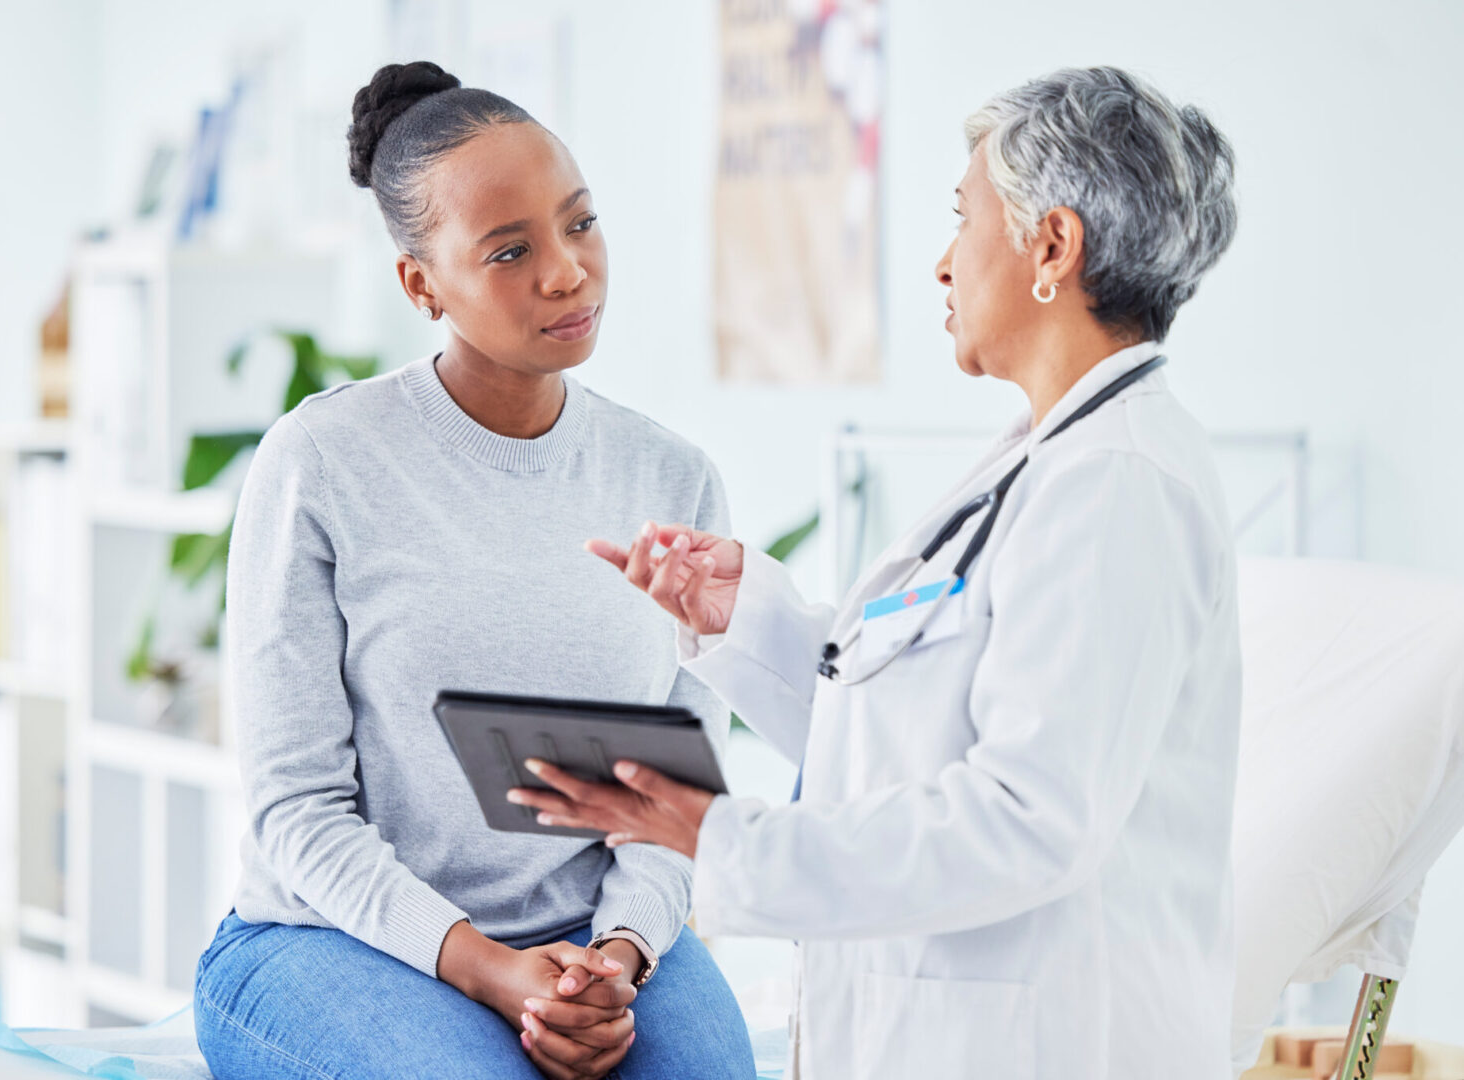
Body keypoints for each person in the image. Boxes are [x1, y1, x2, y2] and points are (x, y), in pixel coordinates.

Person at [510, 67, 1243, 1079]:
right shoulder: (1046, 463)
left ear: (1051, 246)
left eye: (963, 218)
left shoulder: (1115, 484)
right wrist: (748, 623)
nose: (943, 263)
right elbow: (909, 738)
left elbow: (1029, 821)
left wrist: (722, 839)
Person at [192, 61, 756, 1080]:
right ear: (422, 284)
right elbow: (296, 811)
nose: (567, 271)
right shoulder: (323, 462)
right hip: (331, 941)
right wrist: (490, 969)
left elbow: (673, 795)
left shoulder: (673, 477)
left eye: (579, 224)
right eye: (510, 250)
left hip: (596, 936)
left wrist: (618, 956)